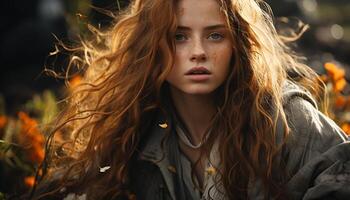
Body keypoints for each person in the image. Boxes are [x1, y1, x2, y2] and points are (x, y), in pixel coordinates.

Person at [29, 0, 350, 199]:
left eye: (215, 35)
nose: (198, 52)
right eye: (179, 36)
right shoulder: (134, 129)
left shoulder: (282, 116)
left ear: (237, 43)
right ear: (153, 45)